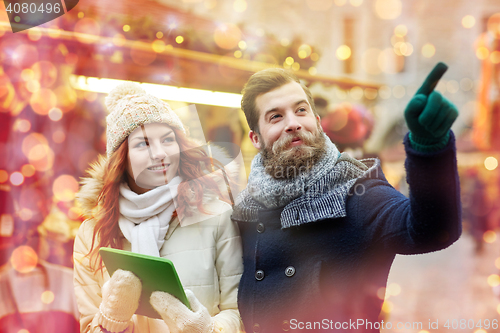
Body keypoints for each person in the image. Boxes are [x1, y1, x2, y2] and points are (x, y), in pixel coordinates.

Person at [231, 63, 462, 332]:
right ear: (255, 139)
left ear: (317, 123)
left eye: (301, 110)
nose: (293, 124)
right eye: (275, 117)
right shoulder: (245, 209)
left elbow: (432, 230)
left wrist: (429, 149)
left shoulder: (357, 190)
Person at [73, 82, 243, 333]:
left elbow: (240, 312)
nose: (160, 153)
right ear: (122, 158)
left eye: (168, 140)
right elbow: (89, 327)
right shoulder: (93, 233)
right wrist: (112, 318)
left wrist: (206, 330)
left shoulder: (215, 215)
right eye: (143, 144)